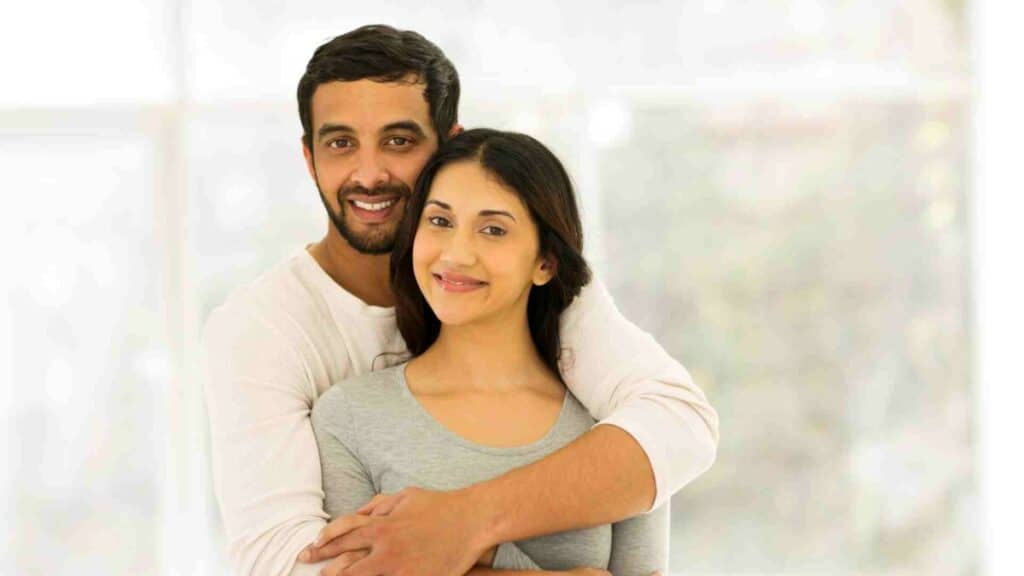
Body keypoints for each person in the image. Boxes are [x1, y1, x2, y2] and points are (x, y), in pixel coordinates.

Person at [202, 24, 718, 576]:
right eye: (340, 143)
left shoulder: (546, 292)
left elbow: (675, 425)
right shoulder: (263, 330)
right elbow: (285, 559)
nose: (370, 174)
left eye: (399, 141)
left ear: (448, 143)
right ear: (310, 159)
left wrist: (469, 524)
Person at [312, 128, 669, 576]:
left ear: (545, 263)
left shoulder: (612, 424)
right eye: (440, 221)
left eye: (493, 230)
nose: (457, 254)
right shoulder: (350, 418)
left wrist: (468, 548)